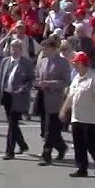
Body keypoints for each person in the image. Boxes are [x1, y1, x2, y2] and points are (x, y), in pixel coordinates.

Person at [60, 51, 95, 177]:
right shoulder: (76, 78)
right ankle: (82, 168)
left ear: (82, 64)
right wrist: (64, 110)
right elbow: (70, 96)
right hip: (76, 118)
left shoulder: (93, 78)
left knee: (92, 145)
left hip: (90, 118)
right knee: (79, 145)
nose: (74, 66)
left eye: (76, 63)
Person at [0, 38, 33, 159]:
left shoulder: (26, 63)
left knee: (12, 123)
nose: (14, 50)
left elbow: (30, 80)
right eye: (12, 48)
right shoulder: (5, 61)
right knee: (13, 123)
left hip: (19, 97)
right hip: (6, 95)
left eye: (17, 48)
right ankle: (22, 144)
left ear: (21, 50)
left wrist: (23, 88)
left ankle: (9, 151)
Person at [33, 37, 70, 165]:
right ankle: (61, 147)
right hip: (43, 97)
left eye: (46, 49)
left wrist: (49, 84)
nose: (44, 51)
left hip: (55, 99)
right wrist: (38, 83)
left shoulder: (63, 62)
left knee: (50, 128)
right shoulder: (42, 61)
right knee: (46, 129)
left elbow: (66, 81)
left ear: (54, 49)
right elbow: (37, 76)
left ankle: (46, 154)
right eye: (43, 49)